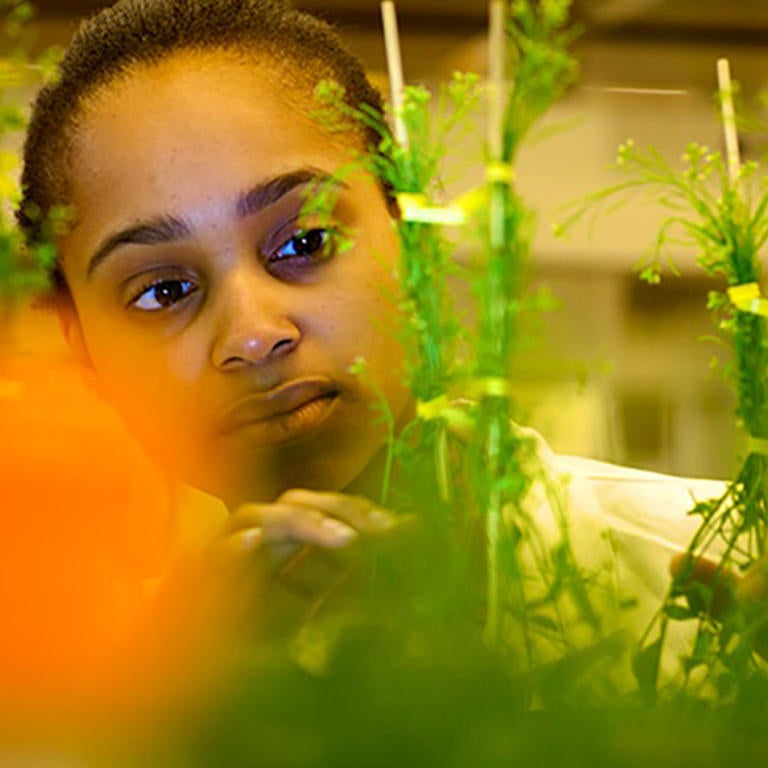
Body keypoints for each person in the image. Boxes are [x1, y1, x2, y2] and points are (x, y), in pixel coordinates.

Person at [15, 0, 734, 683]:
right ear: (81, 348)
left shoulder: (718, 576)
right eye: (163, 292)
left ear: (414, 235)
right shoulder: (88, 711)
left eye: (306, 240)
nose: (255, 335)